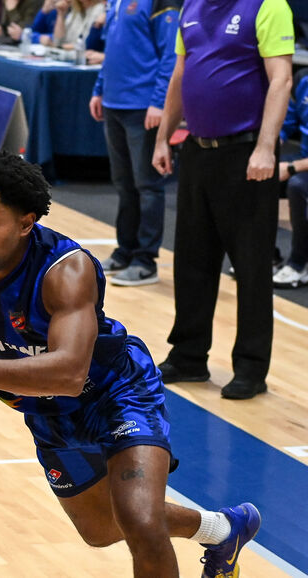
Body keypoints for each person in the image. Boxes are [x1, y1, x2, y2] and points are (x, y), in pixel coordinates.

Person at [0, 149, 262, 578]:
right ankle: (222, 530)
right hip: (47, 412)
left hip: (116, 394)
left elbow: (69, 374)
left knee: (140, 521)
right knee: (100, 530)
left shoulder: (66, 270)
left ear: (25, 223)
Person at [152, 0, 294, 399]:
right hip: (197, 150)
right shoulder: (191, 7)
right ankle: (188, 356)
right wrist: (163, 137)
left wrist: (265, 148)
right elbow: (180, 75)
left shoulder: (268, 6)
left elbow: (281, 80)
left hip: (246, 153)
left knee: (250, 265)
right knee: (192, 258)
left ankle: (251, 367)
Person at [89, 0, 180, 286]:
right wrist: (99, 88)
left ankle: (145, 260)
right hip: (114, 103)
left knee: (148, 186)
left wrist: (159, 102)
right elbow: (112, 51)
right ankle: (125, 250)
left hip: (143, 106)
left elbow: (171, 54)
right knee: (124, 184)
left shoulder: (161, 2)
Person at [274, 70, 308, 288]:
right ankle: (265, 255)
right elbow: (286, 125)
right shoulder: (302, 79)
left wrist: (293, 168)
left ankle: (299, 264)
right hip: (303, 159)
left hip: (302, 167)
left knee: (298, 186)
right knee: (260, 175)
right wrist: (266, 147)